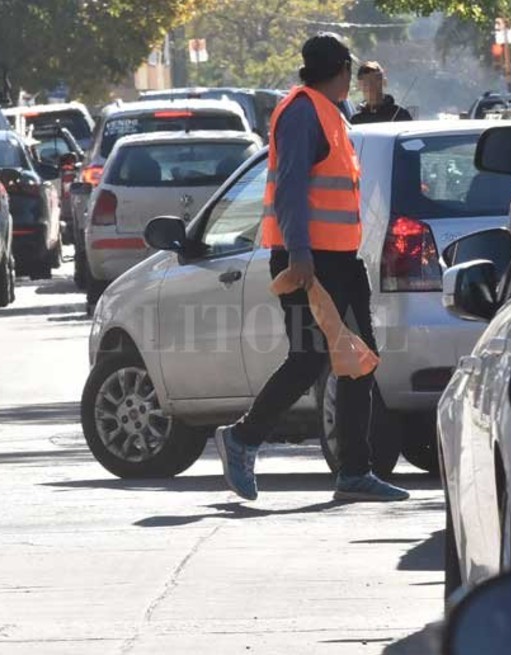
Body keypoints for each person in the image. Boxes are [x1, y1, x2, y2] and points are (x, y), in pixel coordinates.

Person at [214, 33, 409, 503]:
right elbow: (289, 190)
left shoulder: (330, 112)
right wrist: (300, 253)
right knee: (309, 357)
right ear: (342, 68)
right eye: (350, 71)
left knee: (359, 359)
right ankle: (242, 439)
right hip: (308, 261)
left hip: (339, 260)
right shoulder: (303, 112)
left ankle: (354, 473)